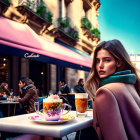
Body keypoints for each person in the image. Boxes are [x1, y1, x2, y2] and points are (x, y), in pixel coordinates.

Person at [85, 39, 140, 140]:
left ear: (118, 62)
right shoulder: (131, 84)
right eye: (97, 61)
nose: (100, 66)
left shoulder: (105, 92)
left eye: (107, 60)